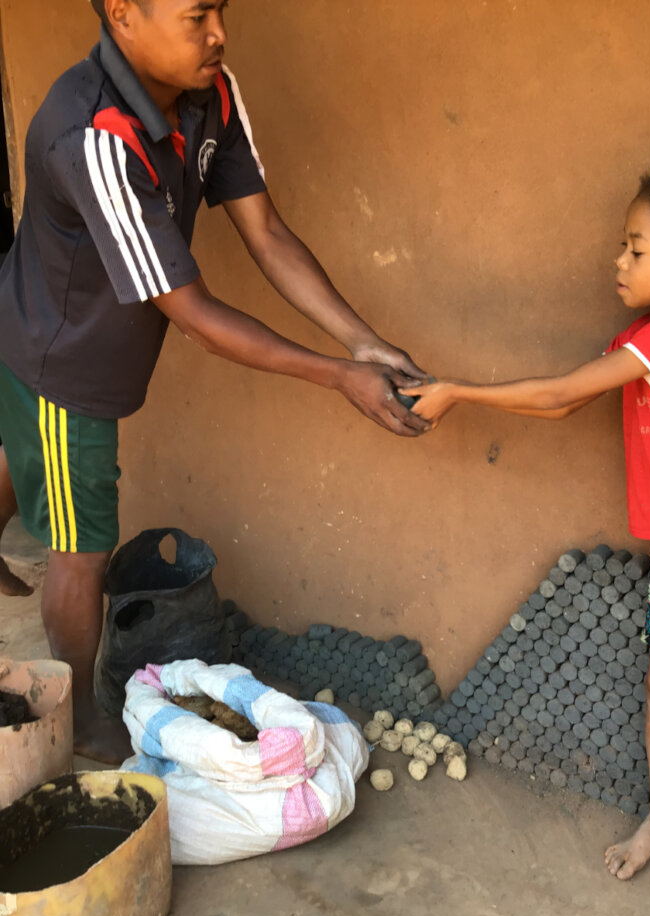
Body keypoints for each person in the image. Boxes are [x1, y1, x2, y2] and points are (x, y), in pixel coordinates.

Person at [0, 0, 429, 763]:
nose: (219, 33)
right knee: (79, 541)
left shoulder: (212, 94)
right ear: (124, 14)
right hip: (61, 359)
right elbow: (191, 311)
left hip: (84, 343)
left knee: (29, 461)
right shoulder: (94, 135)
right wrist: (336, 377)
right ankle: (80, 723)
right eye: (197, 15)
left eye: (221, 10)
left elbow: (265, 232)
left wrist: (362, 343)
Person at [402, 157, 650, 916]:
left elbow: (562, 393)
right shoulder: (643, 339)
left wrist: (460, 391)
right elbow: (568, 407)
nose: (620, 260)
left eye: (637, 247)